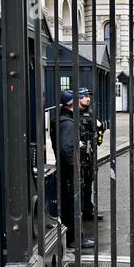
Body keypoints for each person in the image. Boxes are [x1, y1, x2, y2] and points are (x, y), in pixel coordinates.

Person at [50, 90, 95, 249]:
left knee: (70, 205)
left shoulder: (59, 119)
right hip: (70, 172)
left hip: (66, 170)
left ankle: (72, 237)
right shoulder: (68, 123)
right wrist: (76, 167)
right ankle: (76, 238)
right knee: (73, 206)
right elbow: (67, 149)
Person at [78, 87, 106, 221]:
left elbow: (100, 130)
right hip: (78, 154)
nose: (88, 98)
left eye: (89, 96)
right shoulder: (73, 114)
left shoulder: (91, 113)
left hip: (90, 153)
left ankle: (88, 210)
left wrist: (98, 140)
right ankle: (77, 212)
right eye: (84, 96)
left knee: (89, 183)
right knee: (78, 184)